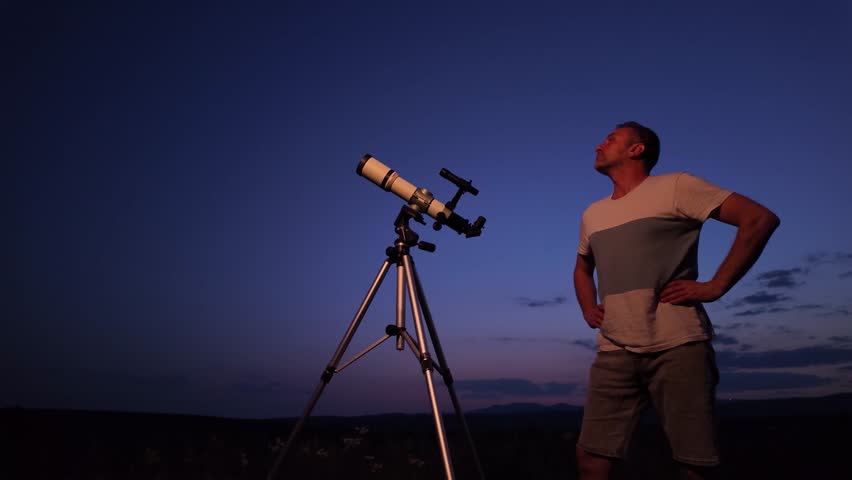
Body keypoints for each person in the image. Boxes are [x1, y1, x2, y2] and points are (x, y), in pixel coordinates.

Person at [573, 121, 780, 480]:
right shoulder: (593, 213)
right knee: (591, 457)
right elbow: (581, 268)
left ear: (637, 149)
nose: (598, 146)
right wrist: (588, 308)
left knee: (694, 463)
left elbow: (758, 220)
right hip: (614, 349)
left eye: (610, 139)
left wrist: (716, 286)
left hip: (679, 345)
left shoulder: (676, 187)